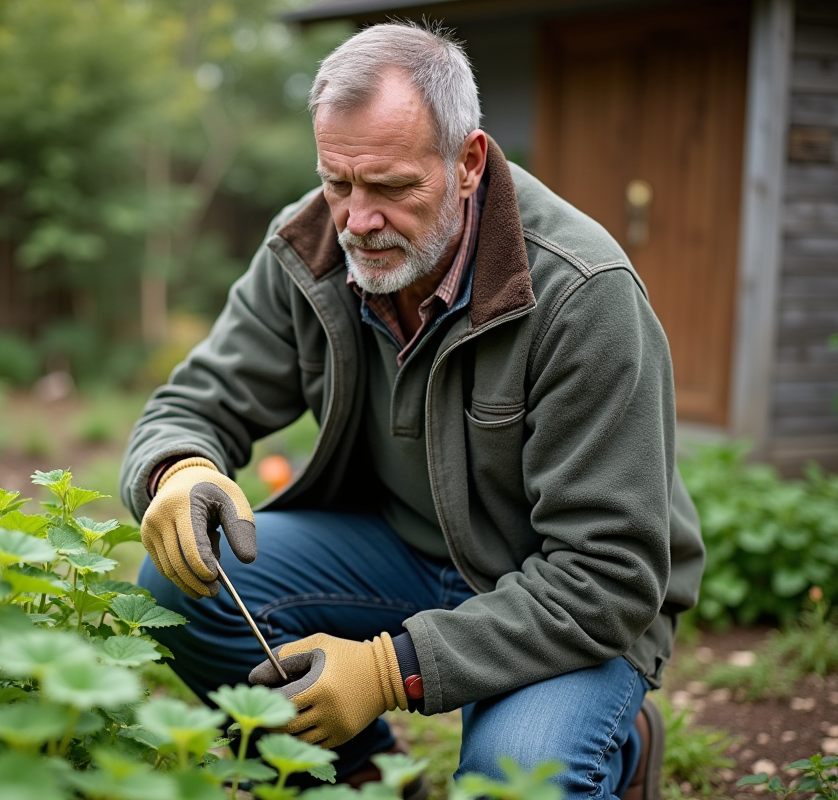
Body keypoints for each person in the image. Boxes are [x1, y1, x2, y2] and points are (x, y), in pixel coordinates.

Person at [119, 21, 703, 800]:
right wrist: (177, 468)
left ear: (467, 163)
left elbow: (609, 575)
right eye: (338, 182)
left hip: (557, 593)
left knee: (509, 783)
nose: (357, 219)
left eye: (391, 187)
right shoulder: (309, 246)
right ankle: (360, 780)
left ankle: (617, 749)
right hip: (393, 551)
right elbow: (193, 400)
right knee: (174, 588)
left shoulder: (582, 291)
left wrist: (389, 670)